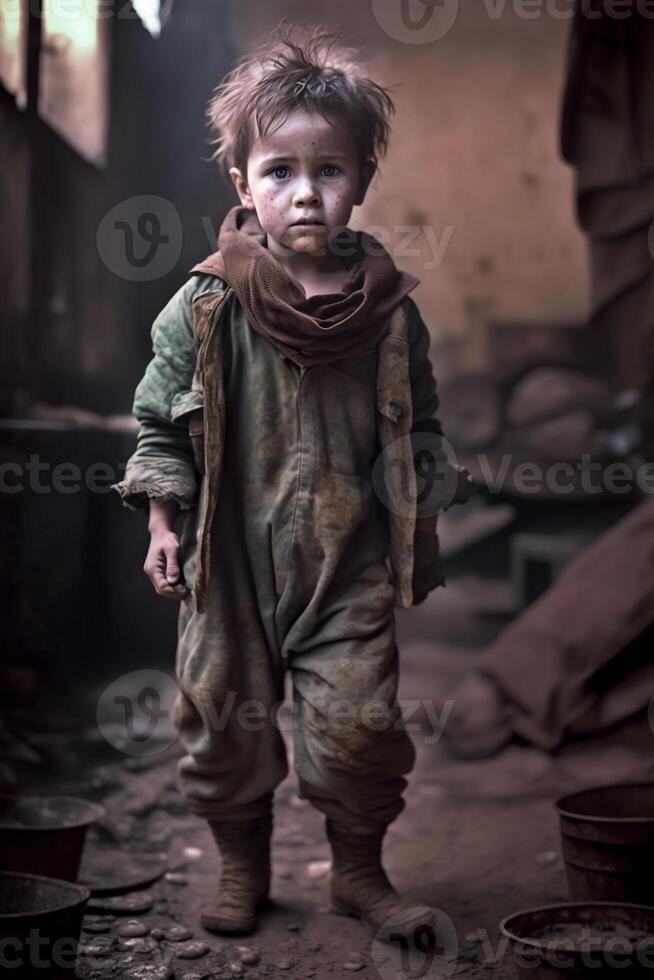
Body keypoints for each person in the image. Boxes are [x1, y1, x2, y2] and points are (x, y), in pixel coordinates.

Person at [111, 21, 472, 942]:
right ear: (242, 184)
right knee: (222, 727)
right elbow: (160, 422)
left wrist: (425, 505)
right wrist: (162, 526)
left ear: (361, 180)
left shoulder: (389, 314)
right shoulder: (205, 305)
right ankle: (244, 870)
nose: (305, 193)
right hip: (227, 557)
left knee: (359, 729)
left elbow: (420, 420)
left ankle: (358, 874)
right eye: (279, 172)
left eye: (330, 171)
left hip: (343, 559)